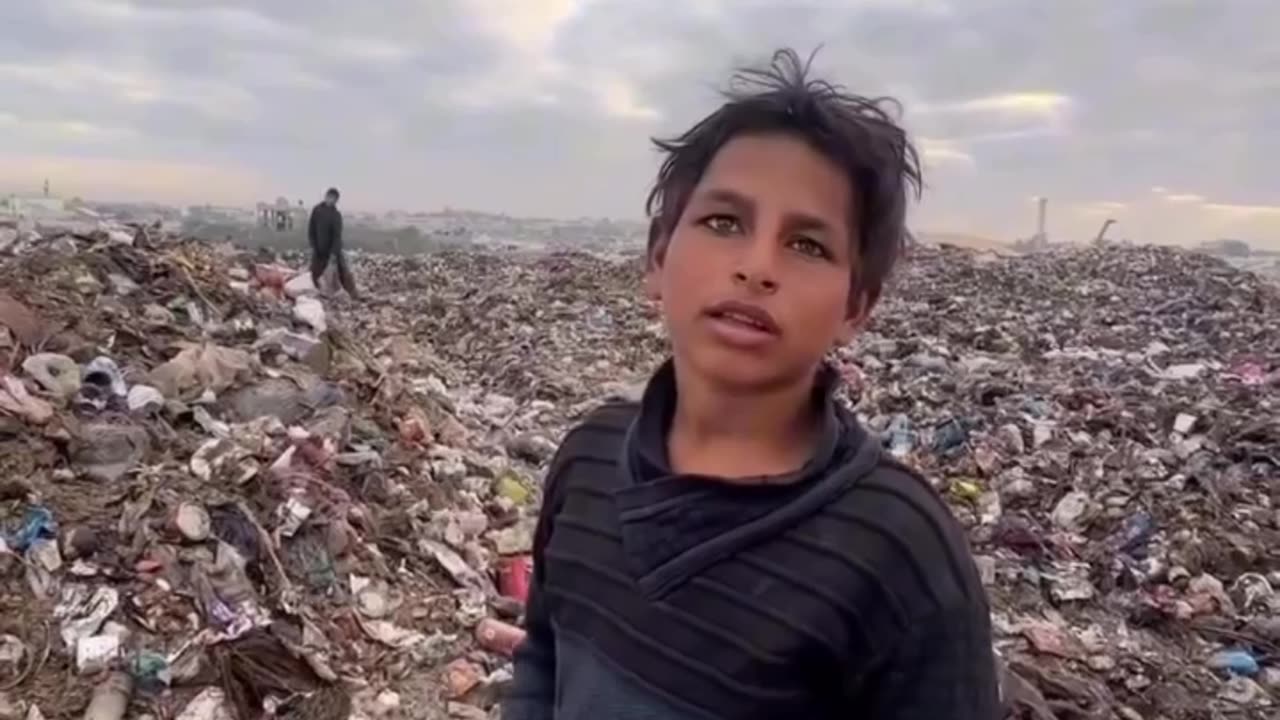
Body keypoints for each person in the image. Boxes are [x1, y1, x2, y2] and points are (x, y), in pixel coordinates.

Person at [503, 48, 999, 720]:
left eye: (808, 245)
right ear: (657, 260)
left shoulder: (901, 559)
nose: (758, 266)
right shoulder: (589, 460)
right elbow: (543, 654)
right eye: (724, 222)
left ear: (857, 307)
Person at [307, 187, 359, 299]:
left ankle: (353, 295)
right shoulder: (317, 210)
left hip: (332, 250)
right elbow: (311, 228)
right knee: (314, 274)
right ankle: (318, 295)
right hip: (318, 250)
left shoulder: (336, 215)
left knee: (343, 273)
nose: (330, 200)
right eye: (329, 197)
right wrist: (313, 245)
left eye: (333, 198)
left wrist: (333, 254)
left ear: (336, 200)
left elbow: (337, 236)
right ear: (325, 196)